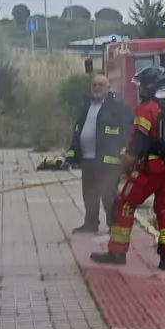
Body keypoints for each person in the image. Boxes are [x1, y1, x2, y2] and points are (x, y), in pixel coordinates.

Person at [92, 64, 165, 269]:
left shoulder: (147, 107)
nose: (140, 88)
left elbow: (139, 137)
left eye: (142, 85)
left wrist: (128, 158)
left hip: (150, 170)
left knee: (124, 205)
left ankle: (117, 252)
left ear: (151, 86)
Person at [69, 73, 133, 234]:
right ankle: (90, 223)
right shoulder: (86, 107)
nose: (97, 88)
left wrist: (124, 153)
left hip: (108, 161)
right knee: (89, 193)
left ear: (108, 88)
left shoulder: (118, 108)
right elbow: (78, 131)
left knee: (108, 194)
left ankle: (114, 225)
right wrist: (72, 153)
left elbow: (127, 131)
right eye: (94, 85)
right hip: (88, 159)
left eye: (100, 85)